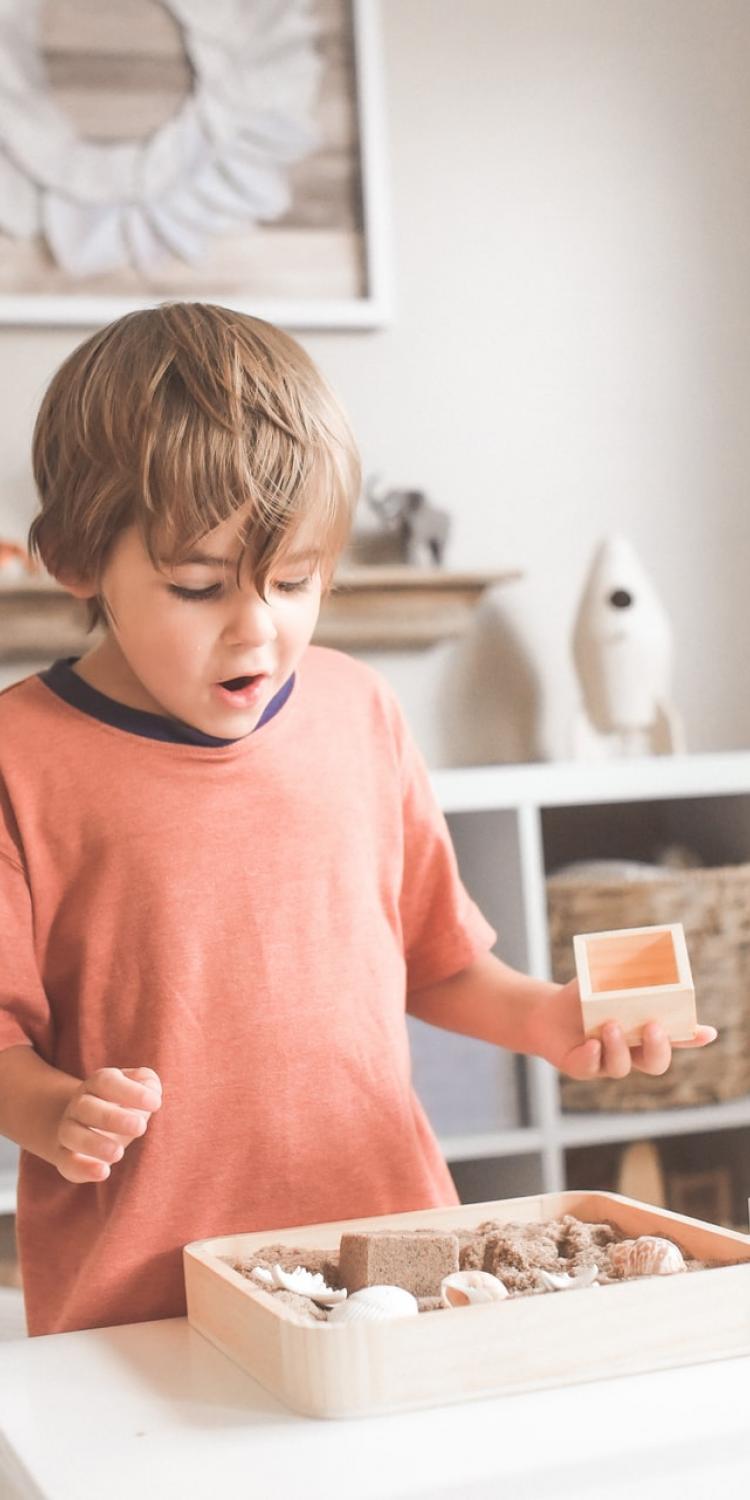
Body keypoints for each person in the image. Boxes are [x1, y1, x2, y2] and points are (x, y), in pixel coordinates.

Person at [0, 304, 716, 1337]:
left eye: (296, 581)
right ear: (74, 561)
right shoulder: (21, 757)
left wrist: (549, 1020)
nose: (259, 627)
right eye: (197, 587)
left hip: (392, 1259)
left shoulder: (359, 710)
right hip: (148, 1298)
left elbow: (434, 959)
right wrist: (55, 1113)